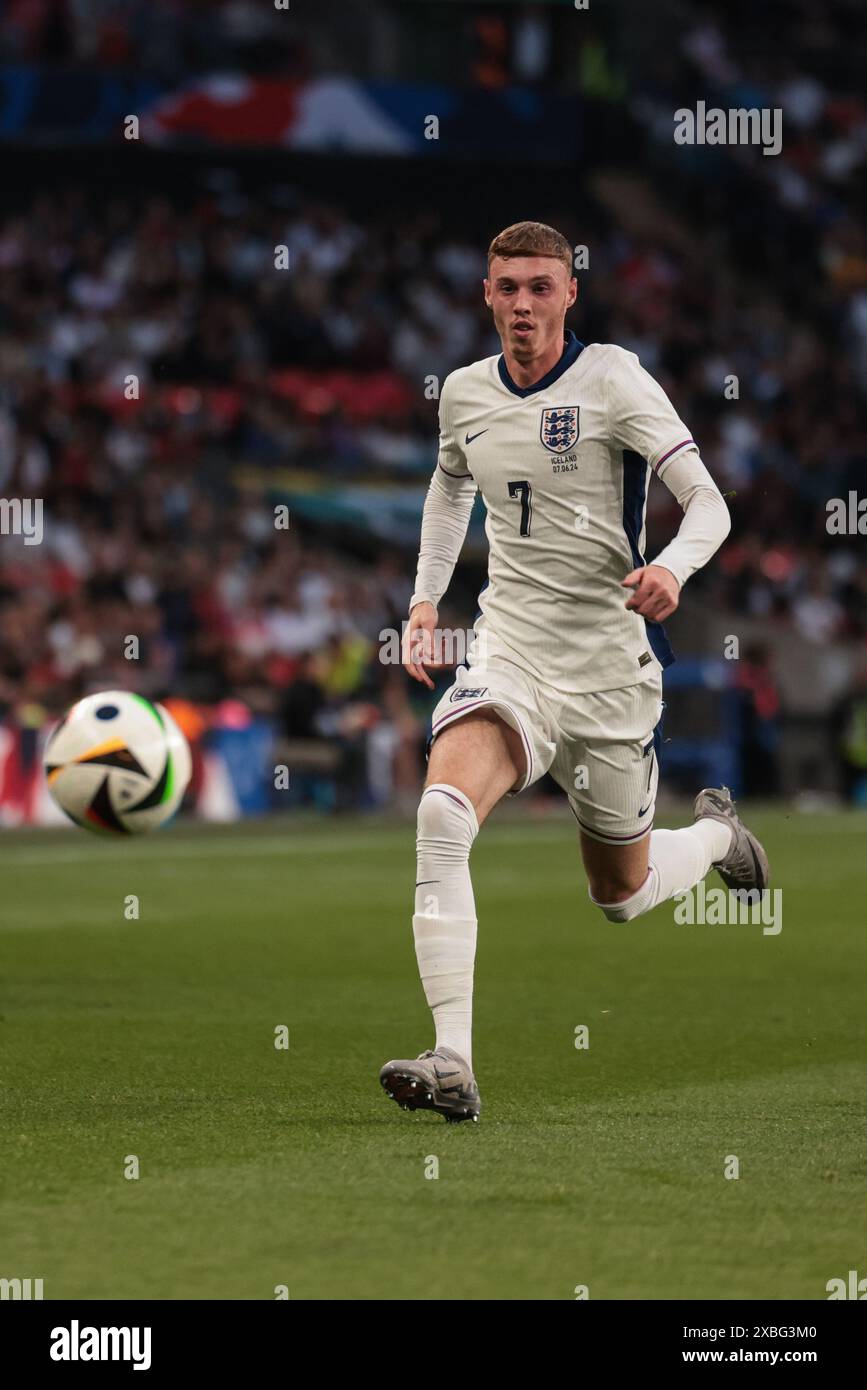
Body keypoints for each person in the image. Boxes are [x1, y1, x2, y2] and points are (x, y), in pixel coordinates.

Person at [379, 221, 769, 1123]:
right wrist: (425, 599)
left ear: (568, 294)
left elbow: (707, 500)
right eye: (507, 287)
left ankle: (715, 840)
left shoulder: (614, 380)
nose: (522, 304)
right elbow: (449, 486)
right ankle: (453, 1060)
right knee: (440, 815)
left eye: (539, 288)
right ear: (485, 293)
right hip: (508, 649)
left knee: (620, 895)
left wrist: (670, 567)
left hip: (608, 671)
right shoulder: (466, 394)